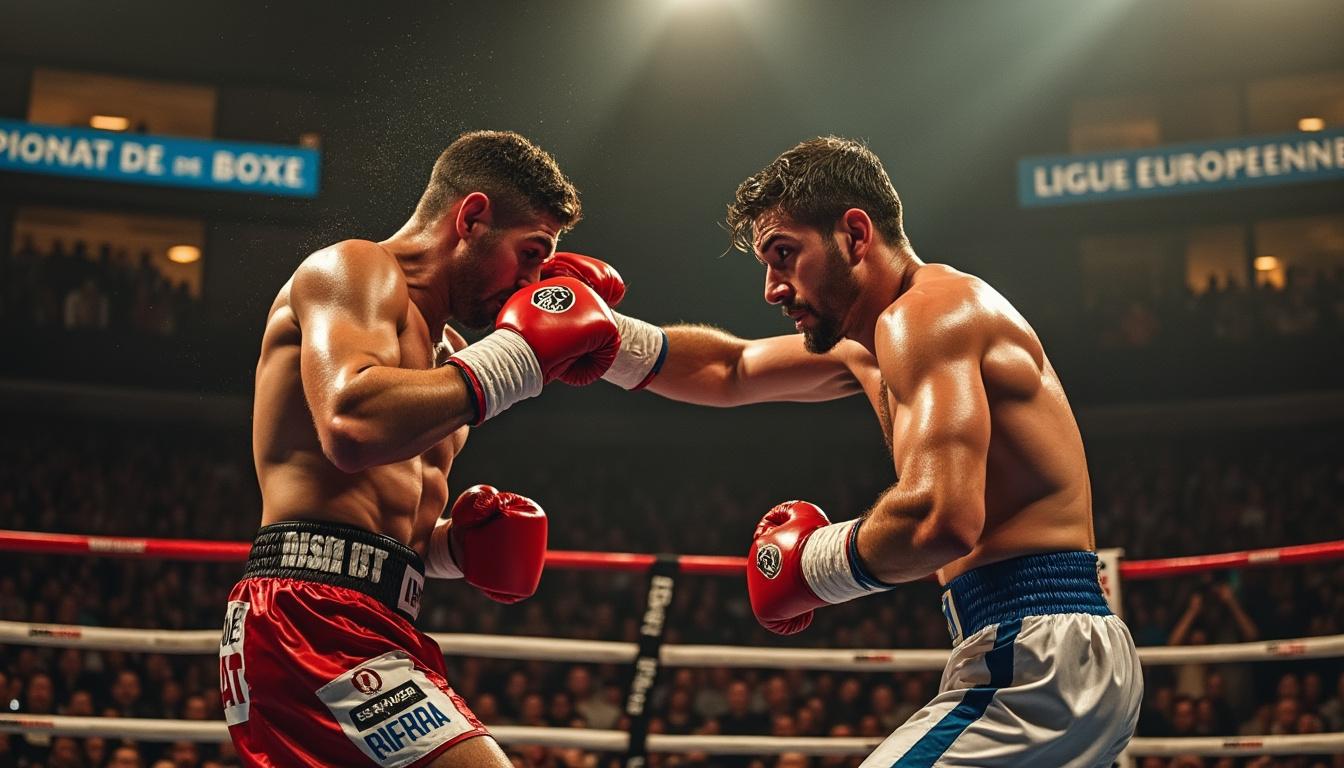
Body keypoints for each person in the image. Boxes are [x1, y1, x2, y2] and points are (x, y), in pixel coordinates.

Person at [575, 136, 1142, 764]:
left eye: (784, 254)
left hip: (1035, 658)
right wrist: (601, 336)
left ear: (854, 233)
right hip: (1040, 649)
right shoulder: (874, 339)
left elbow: (941, 518)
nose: (772, 287)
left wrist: (811, 566)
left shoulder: (929, 316)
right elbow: (731, 368)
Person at [220, 130, 623, 768]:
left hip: (374, 617)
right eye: (530, 253)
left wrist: (456, 547)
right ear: (471, 217)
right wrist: (521, 356)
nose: (531, 280)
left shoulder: (453, 361)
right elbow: (350, 426)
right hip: (308, 613)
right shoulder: (353, 268)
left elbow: (385, 521)